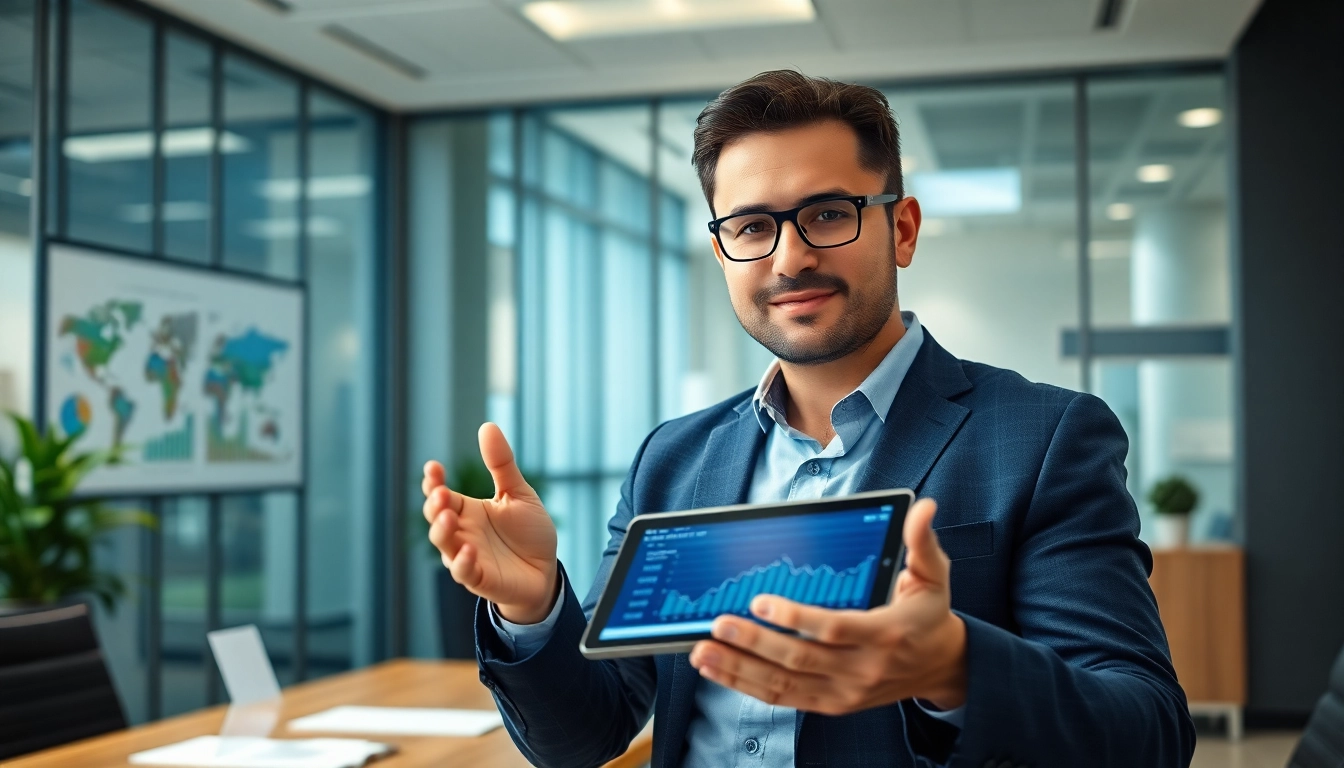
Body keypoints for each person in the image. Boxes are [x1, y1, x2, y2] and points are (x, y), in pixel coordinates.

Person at [421, 70, 1195, 768]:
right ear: (723, 252)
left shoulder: (1045, 438)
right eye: (752, 227)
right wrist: (531, 607)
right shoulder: (673, 459)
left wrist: (954, 668)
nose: (789, 258)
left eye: (827, 214)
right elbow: (583, 738)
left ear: (902, 229)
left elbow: (1148, 733)